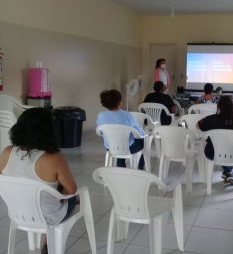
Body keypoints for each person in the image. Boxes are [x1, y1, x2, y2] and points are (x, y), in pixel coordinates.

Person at [0, 108, 78, 254]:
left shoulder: (7, 152)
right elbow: (71, 190)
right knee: (76, 196)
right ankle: (47, 242)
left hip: (17, 213)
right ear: (49, 130)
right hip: (48, 216)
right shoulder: (53, 158)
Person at [196, 96, 233, 184]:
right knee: (229, 148)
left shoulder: (211, 119)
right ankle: (228, 172)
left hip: (213, 152)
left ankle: (228, 171)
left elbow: (197, 125)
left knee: (224, 148)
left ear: (219, 106)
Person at [97, 90, 145, 170]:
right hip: (128, 148)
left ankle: (121, 166)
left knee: (119, 141)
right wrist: (143, 133)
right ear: (120, 102)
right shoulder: (127, 115)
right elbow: (141, 133)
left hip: (110, 147)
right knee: (142, 142)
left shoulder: (101, 115)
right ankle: (140, 168)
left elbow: (101, 131)